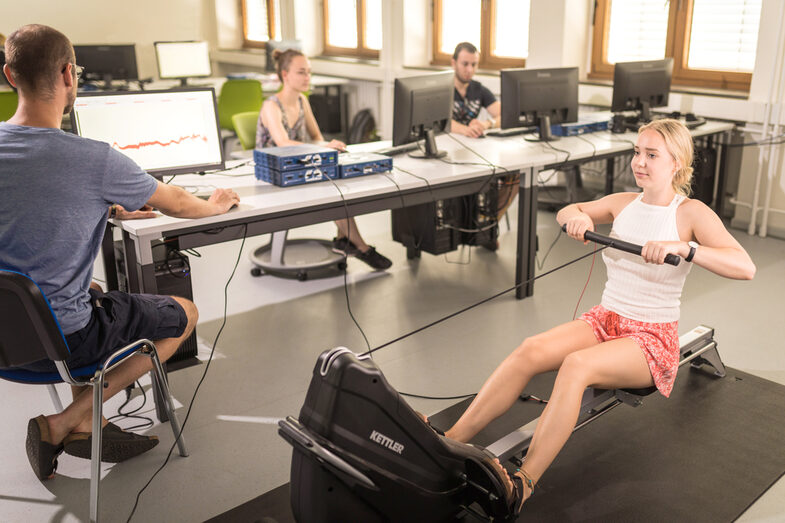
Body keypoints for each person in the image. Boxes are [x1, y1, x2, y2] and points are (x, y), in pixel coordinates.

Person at [425, 119, 756, 512]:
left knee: (576, 367)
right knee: (531, 349)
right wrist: (576, 218)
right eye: (637, 152)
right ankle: (446, 442)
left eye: (652, 155)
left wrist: (687, 249)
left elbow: (744, 266)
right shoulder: (622, 203)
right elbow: (570, 210)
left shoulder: (689, 213)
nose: (640, 162)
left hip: (649, 338)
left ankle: (522, 484)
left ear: (677, 163)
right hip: (605, 319)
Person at [0, 24, 240, 480]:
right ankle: (65, 424)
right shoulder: (94, 159)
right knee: (184, 313)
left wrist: (95, 203)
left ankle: (88, 421)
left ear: (10, 75)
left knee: (89, 291)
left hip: (6, 338)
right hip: (65, 340)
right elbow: (180, 204)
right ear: (70, 74)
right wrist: (214, 204)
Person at [256, 49, 392, 270]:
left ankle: (347, 240)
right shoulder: (271, 106)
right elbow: (282, 144)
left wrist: (329, 146)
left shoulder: (301, 100)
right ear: (285, 74)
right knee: (332, 189)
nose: (307, 77)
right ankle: (359, 245)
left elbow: (317, 138)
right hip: (273, 176)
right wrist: (321, 147)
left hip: (297, 169)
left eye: (309, 72)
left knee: (338, 183)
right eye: (301, 72)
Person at [450, 42, 501, 138]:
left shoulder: (479, 89)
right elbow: (438, 122)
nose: (470, 70)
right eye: (465, 64)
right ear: (454, 63)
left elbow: (505, 115)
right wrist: (465, 130)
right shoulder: (442, 90)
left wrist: (487, 124)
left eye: (474, 64)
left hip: (470, 142)